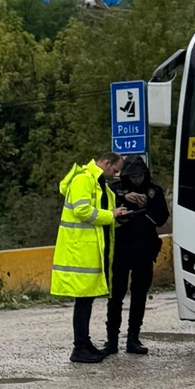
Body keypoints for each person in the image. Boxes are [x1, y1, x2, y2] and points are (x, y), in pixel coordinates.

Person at [52, 149, 128, 364]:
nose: (116, 175)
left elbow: (102, 211)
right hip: (80, 254)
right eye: (114, 170)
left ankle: (84, 343)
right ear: (105, 162)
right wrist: (110, 215)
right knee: (83, 301)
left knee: (87, 300)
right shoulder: (83, 180)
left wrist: (118, 216)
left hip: (92, 252)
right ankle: (80, 346)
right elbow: (82, 210)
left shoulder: (100, 184)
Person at [105, 153, 169, 356]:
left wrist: (145, 207)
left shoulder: (154, 191)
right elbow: (104, 208)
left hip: (144, 249)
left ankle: (133, 338)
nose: (137, 180)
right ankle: (112, 340)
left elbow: (161, 218)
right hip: (121, 251)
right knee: (116, 296)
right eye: (133, 176)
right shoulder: (114, 189)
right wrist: (123, 198)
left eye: (140, 176)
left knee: (139, 295)